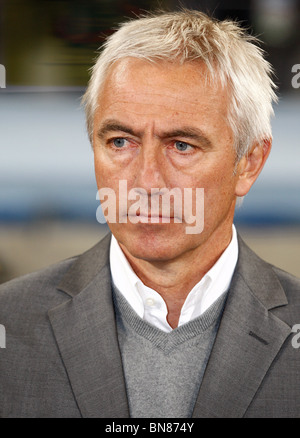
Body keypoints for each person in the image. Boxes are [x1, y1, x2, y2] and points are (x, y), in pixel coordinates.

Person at [0, 9, 299, 419]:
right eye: (121, 141)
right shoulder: (9, 325)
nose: (146, 182)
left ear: (248, 162)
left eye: (181, 146)